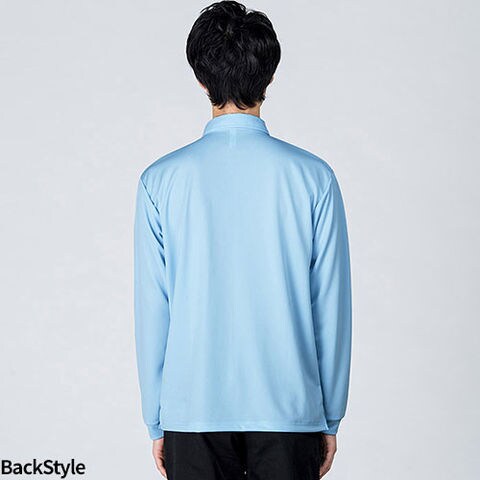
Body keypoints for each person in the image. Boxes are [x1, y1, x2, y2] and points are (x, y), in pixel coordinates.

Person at [133, 1, 352, 478]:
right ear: (269, 78)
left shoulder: (160, 181)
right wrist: (330, 414)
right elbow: (330, 306)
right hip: (289, 411)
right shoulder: (313, 178)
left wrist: (157, 419)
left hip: (192, 412)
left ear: (200, 79)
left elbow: (154, 310)